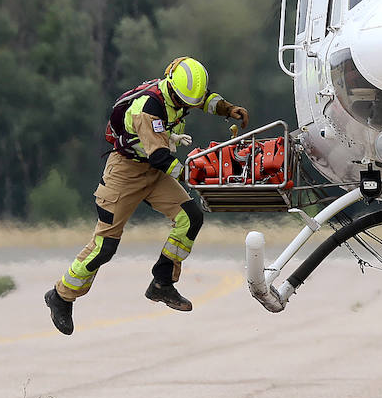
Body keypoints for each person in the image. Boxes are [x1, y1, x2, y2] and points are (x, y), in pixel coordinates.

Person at [43, 56, 249, 335]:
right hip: (125, 174)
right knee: (104, 247)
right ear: (173, 89)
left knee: (190, 217)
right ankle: (61, 295)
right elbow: (162, 158)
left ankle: (162, 283)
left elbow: (202, 99)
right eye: (186, 102)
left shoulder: (179, 92)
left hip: (152, 172)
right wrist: (198, 174)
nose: (190, 107)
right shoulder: (147, 110)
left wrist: (228, 109)